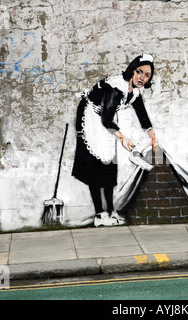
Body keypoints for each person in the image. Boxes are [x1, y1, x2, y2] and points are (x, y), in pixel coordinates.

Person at [72, 54, 159, 227]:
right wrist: (123, 138)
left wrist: (153, 138)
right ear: (132, 71)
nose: (142, 77)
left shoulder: (134, 92)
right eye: (139, 72)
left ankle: (111, 211)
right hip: (90, 116)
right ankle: (99, 214)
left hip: (106, 119)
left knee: (110, 163)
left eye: (147, 75)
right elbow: (105, 119)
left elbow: (142, 116)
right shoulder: (116, 88)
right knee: (95, 165)